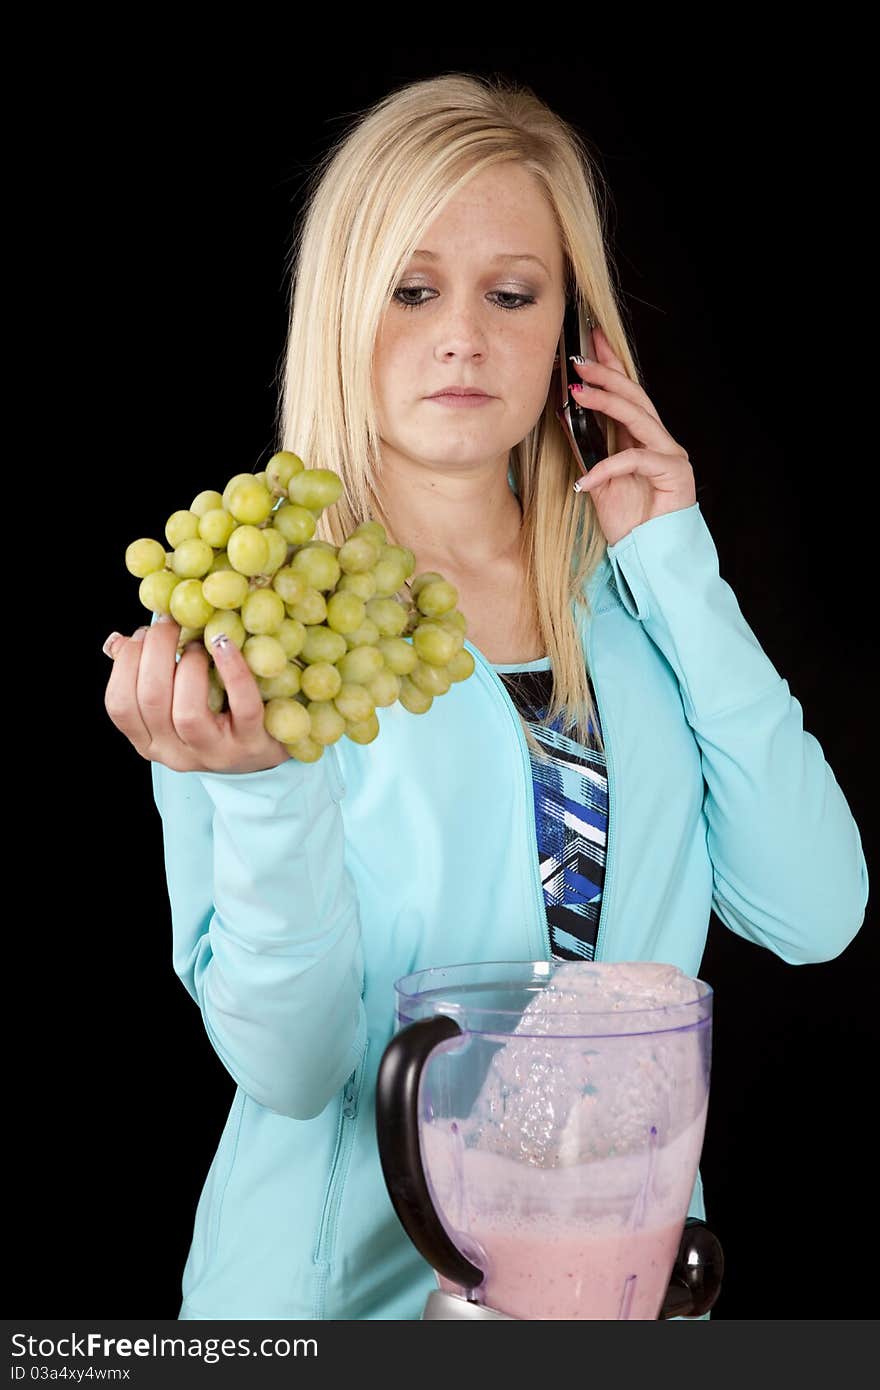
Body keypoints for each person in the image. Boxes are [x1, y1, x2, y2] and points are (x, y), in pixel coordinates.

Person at [102, 73, 869, 1321]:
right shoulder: (262, 639)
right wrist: (254, 794)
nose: (462, 334)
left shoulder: (633, 614)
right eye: (412, 290)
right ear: (343, 312)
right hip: (332, 1310)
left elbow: (816, 908)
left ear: (569, 327)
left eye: (511, 294)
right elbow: (293, 1070)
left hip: (613, 1297)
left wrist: (675, 560)